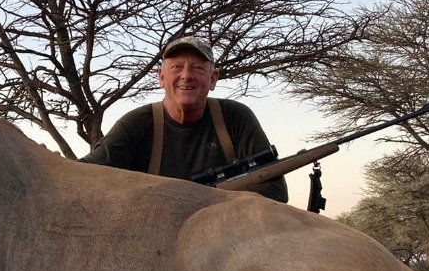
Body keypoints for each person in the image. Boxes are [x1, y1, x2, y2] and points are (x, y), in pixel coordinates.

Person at [82, 36, 288, 202]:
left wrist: (203, 198)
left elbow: (275, 190)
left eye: (198, 68)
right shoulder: (136, 124)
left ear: (213, 78)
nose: (186, 75)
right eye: (176, 67)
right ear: (161, 77)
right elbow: (85, 174)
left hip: (228, 232)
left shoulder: (236, 117)